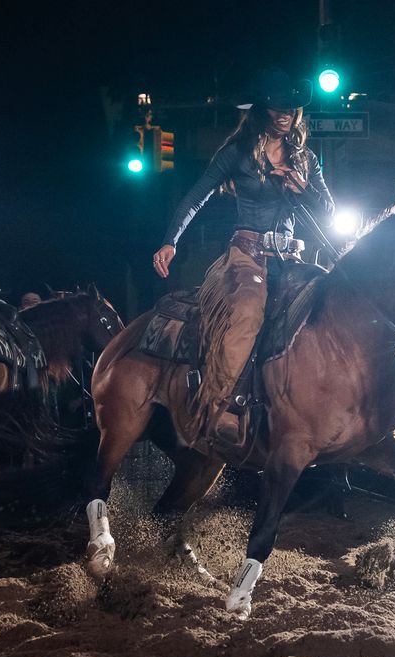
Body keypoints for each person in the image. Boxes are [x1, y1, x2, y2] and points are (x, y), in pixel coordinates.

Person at [152, 67, 335, 448]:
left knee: (327, 305)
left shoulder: (306, 160)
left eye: (292, 108)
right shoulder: (236, 154)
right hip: (246, 257)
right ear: (262, 110)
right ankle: (218, 407)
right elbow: (194, 198)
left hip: (291, 257)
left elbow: (328, 212)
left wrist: (302, 191)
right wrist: (171, 241)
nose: (286, 114)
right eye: (278, 107)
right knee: (249, 312)